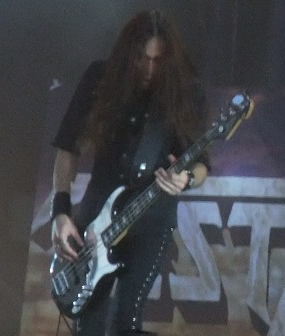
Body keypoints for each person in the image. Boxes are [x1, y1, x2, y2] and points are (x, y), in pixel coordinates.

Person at [50, 9, 209, 336]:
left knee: (126, 318)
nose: (149, 69)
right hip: (97, 213)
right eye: (142, 59)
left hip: (150, 219)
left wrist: (186, 179)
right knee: (88, 321)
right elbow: (68, 147)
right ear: (128, 55)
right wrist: (61, 212)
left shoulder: (183, 93)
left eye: (158, 60)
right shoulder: (100, 79)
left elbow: (202, 163)